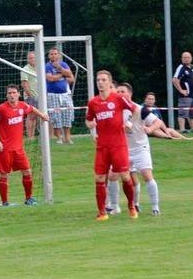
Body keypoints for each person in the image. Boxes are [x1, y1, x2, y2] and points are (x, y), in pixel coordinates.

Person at [85, 70, 139, 221]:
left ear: (109, 82)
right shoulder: (93, 102)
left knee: (125, 175)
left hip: (118, 145)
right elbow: (88, 120)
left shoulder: (119, 98)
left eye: (103, 80)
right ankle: (102, 212)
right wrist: (90, 124)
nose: (100, 82)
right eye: (98, 80)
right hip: (102, 146)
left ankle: (131, 206)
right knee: (99, 177)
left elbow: (135, 110)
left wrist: (128, 122)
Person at [107, 83, 161, 216]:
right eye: (117, 91)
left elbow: (158, 122)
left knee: (146, 175)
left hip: (140, 148)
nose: (119, 94)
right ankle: (116, 206)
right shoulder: (113, 109)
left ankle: (155, 207)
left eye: (122, 91)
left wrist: (150, 129)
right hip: (122, 149)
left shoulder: (139, 109)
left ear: (129, 94)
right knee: (114, 176)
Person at [0, 84, 49, 206]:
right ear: (6, 95)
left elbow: (32, 108)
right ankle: (5, 202)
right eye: (9, 93)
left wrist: (42, 115)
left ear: (18, 94)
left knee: (27, 171)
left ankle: (29, 199)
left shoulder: (22, 106)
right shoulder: (1, 109)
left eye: (14, 93)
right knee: (4, 174)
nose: (12, 95)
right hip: (5, 149)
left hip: (18, 149)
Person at [46, 47, 75, 144]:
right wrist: (62, 75)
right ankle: (59, 138)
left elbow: (71, 78)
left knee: (68, 115)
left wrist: (59, 68)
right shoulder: (47, 66)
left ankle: (67, 137)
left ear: (59, 55)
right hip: (53, 95)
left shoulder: (64, 64)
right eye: (51, 54)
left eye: (55, 53)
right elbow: (50, 78)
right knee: (56, 117)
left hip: (66, 94)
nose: (53, 55)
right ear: (49, 56)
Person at [172, 51, 193, 132]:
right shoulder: (181, 68)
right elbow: (174, 80)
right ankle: (182, 129)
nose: (186, 59)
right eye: (184, 57)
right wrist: (181, 90)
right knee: (183, 112)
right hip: (185, 95)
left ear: (191, 58)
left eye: (188, 57)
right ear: (182, 59)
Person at [20, 51, 39, 138]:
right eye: (30, 58)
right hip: (30, 96)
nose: (32, 59)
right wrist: (31, 96)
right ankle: (30, 136)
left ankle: (33, 135)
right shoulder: (25, 69)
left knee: (35, 117)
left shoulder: (40, 68)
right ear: (27, 59)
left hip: (40, 96)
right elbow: (24, 84)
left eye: (34, 57)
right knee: (30, 116)